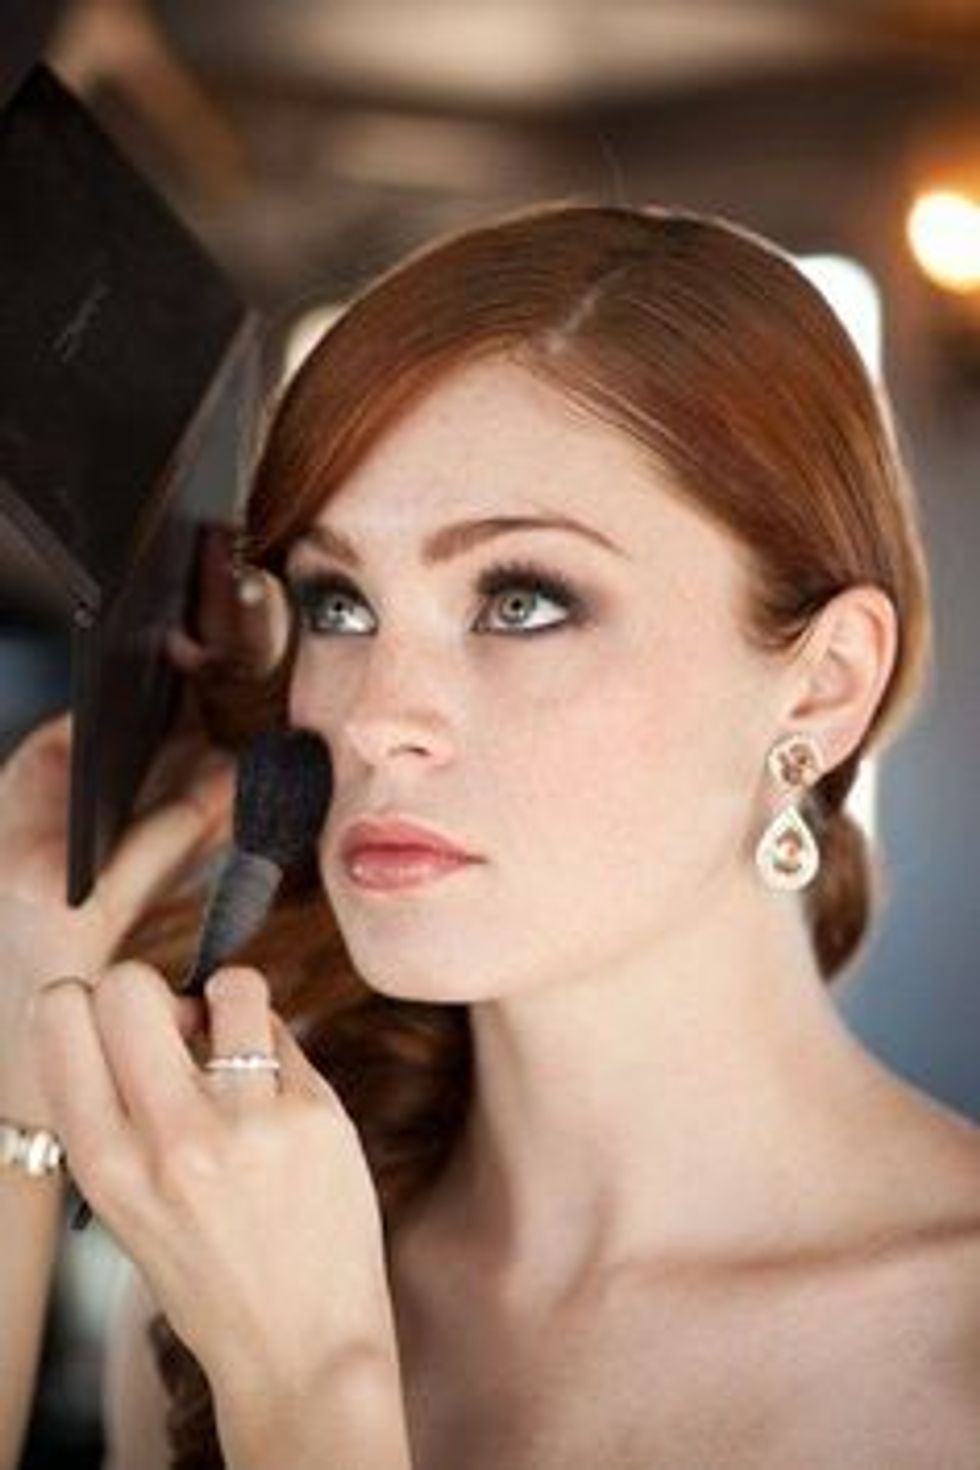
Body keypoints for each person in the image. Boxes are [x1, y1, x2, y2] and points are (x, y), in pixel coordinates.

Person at [2, 200, 979, 1470]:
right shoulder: (225, 1282)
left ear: (821, 685)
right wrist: (24, 1021)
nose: (374, 720)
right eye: (337, 603)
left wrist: (311, 1390)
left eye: (519, 601)